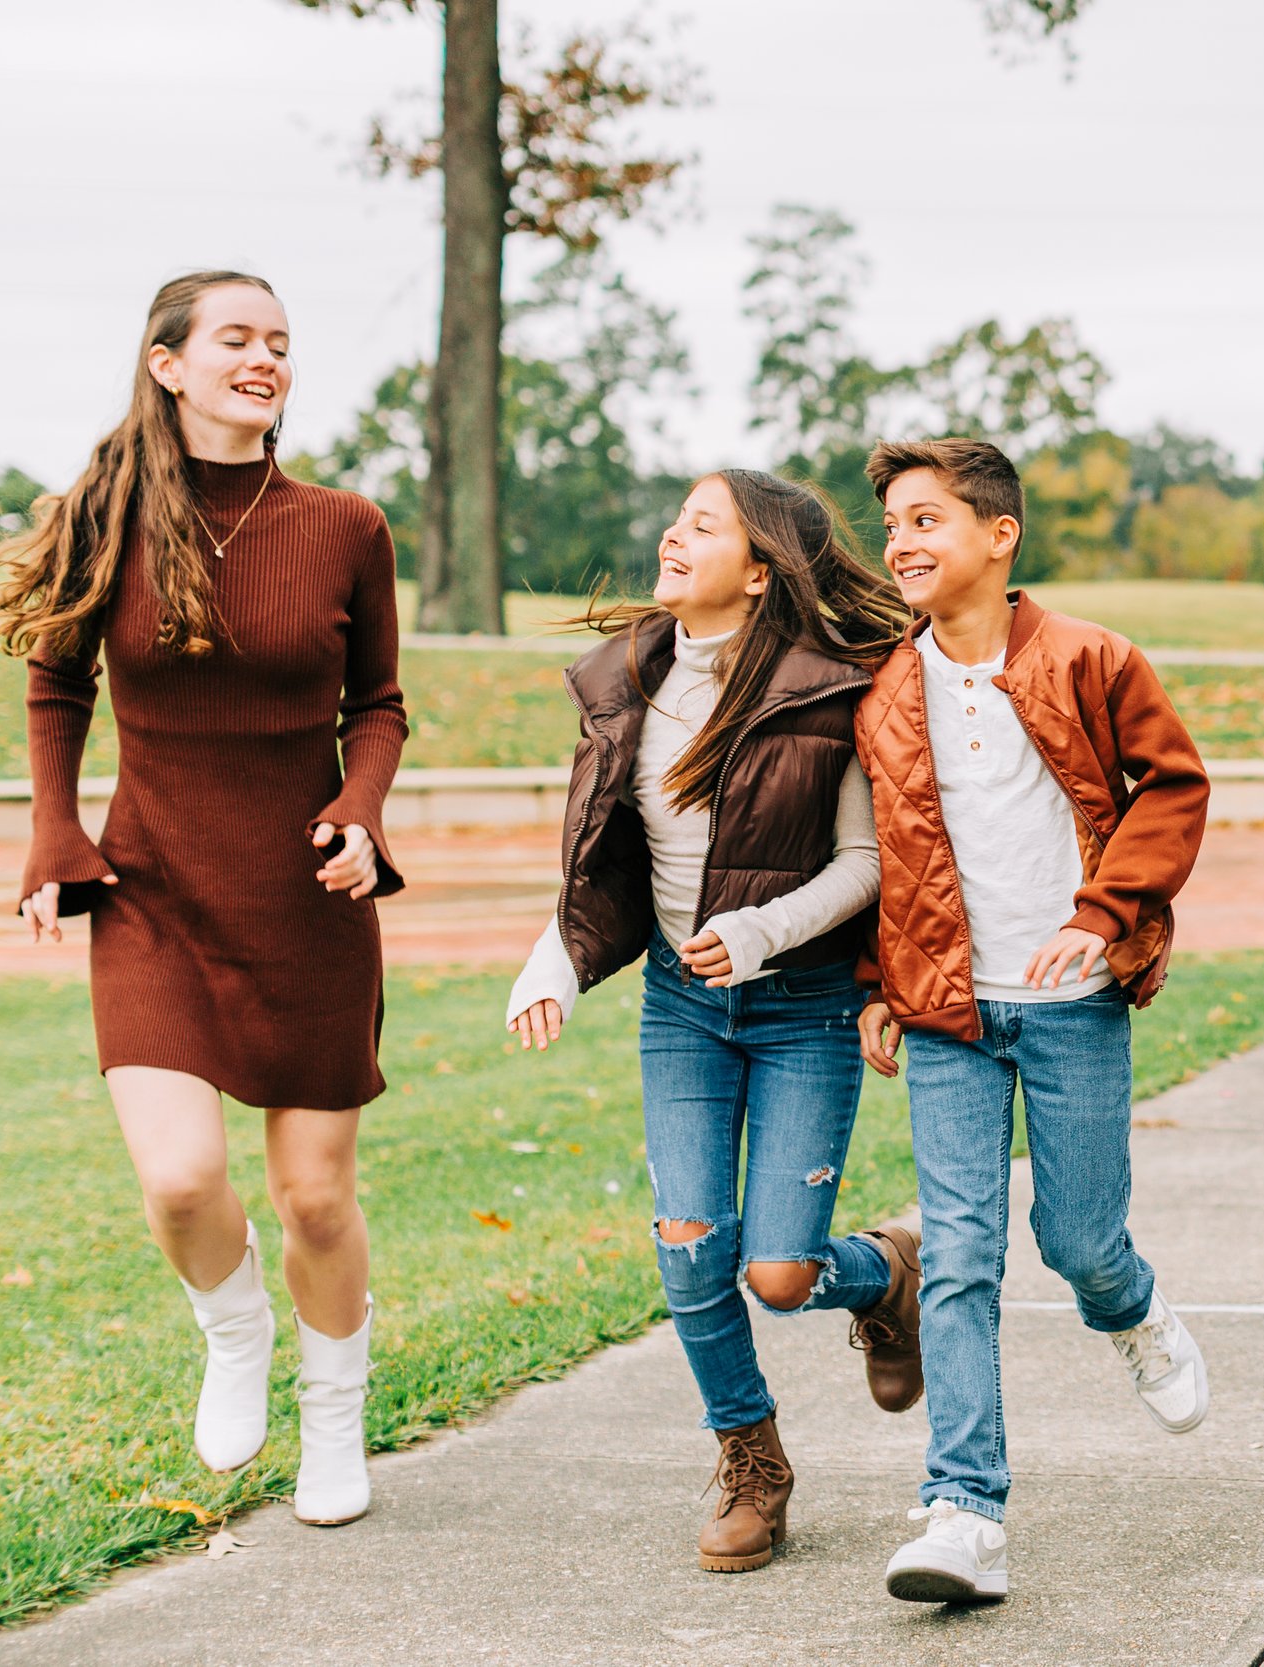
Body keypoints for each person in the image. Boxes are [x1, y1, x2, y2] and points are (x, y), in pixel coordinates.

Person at [4, 271, 403, 1526]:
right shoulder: (98, 513)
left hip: (306, 896)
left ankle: (334, 1418)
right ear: (168, 362)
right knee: (181, 1182)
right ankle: (235, 1330)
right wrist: (53, 827)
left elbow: (378, 705)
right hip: (154, 888)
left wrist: (363, 808)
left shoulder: (346, 524)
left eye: (280, 342)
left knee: (316, 1196)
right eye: (238, 338)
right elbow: (56, 680)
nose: (266, 358)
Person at [503, 470, 926, 1573]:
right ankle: (752, 1459)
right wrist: (552, 959)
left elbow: (865, 864)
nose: (671, 534)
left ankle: (885, 1271)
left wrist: (759, 932)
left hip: (804, 1006)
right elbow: (604, 861)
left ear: (758, 567)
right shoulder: (626, 678)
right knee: (691, 1244)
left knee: (779, 1273)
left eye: (703, 524)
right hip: (683, 1009)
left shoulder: (828, 691)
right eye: (676, 518)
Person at [851, 437, 1211, 1604]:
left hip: (1069, 1002)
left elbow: (1173, 785)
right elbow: (884, 847)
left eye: (927, 520)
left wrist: (1105, 916)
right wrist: (878, 977)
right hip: (949, 1008)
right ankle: (966, 1509)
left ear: (999, 537)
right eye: (893, 523)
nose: (903, 542)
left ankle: (1136, 1311)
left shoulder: (1091, 659)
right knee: (957, 1255)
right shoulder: (886, 686)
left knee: (1079, 1241)